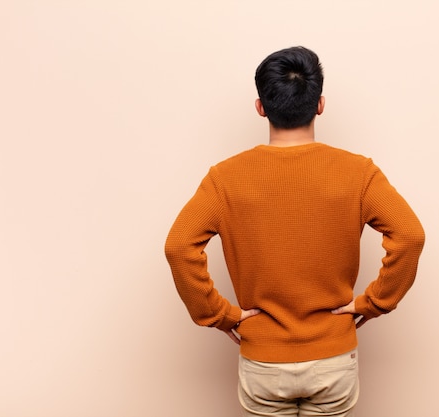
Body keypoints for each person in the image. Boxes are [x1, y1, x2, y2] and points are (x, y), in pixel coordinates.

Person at [164, 46, 425, 417]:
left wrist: (221, 315)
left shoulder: (225, 179)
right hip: (333, 358)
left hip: (263, 362)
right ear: (320, 104)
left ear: (261, 107)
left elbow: (179, 247)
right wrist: (373, 303)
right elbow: (410, 236)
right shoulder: (358, 172)